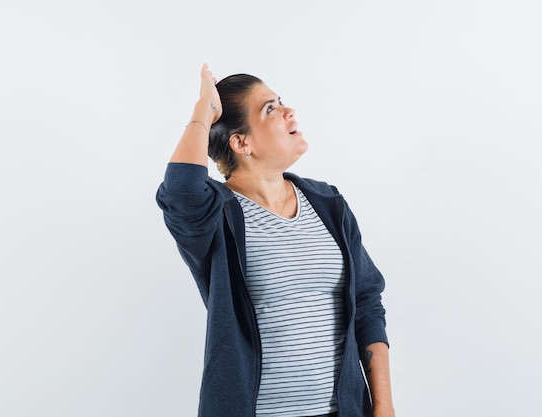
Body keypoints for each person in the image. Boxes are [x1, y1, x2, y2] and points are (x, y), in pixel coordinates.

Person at [156, 64, 395, 417]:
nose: (288, 111)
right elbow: (180, 190)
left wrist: (383, 406)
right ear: (241, 143)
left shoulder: (329, 204)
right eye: (270, 108)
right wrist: (204, 110)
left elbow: (367, 303)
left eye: (281, 102)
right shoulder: (217, 216)